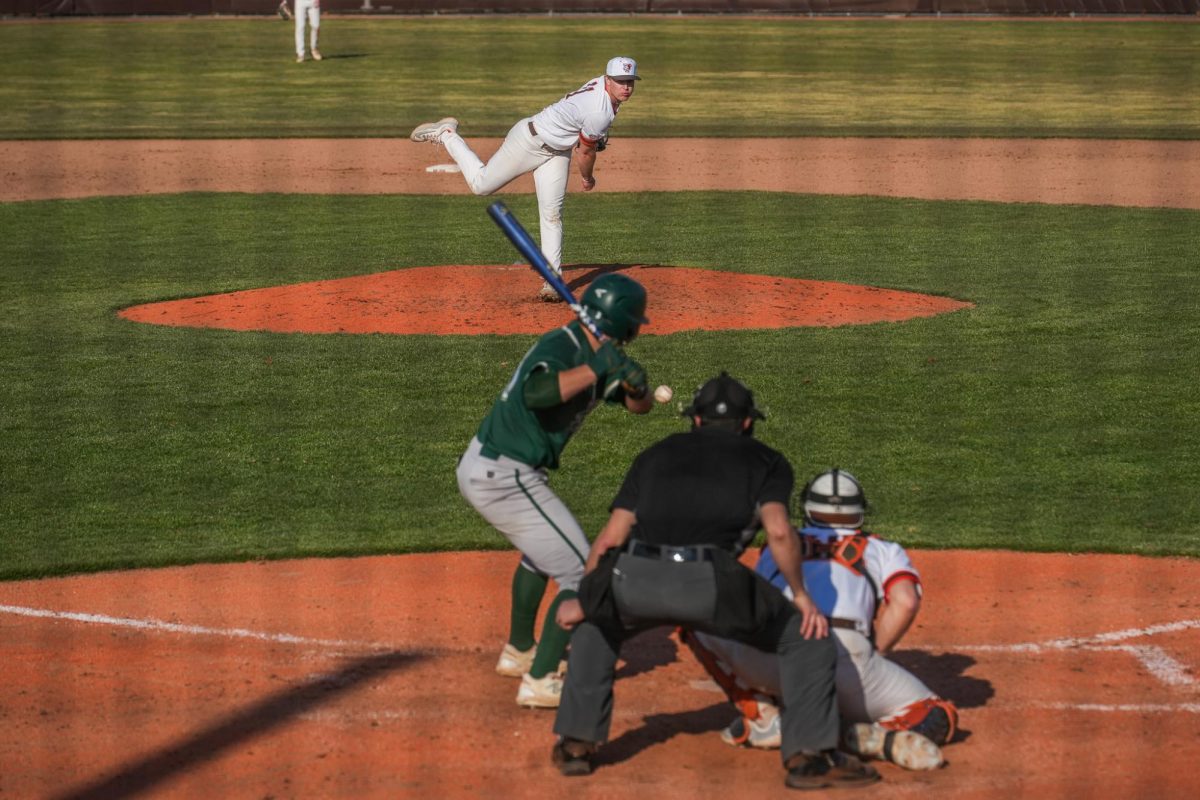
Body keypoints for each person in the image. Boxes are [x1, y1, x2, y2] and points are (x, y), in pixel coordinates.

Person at [549, 373, 881, 791]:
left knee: (598, 624)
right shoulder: (766, 460)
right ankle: (808, 758)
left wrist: (589, 598)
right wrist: (801, 596)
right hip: (711, 584)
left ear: (698, 421)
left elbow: (611, 539)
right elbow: (779, 532)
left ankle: (576, 746)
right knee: (804, 638)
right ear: (747, 423)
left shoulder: (655, 454)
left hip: (633, 576)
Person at [455, 272, 653, 709]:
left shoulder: (598, 351)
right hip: (504, 475)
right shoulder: (562, 346)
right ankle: (541, 680)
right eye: (636, 321)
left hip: (497, 469)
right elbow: (536, 394)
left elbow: (640, 407)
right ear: (622, 320)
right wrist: (597, 368)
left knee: (543, 555)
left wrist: (636, 387)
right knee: (583, 573)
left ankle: (519, 651)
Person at [680, 468, 959, 771]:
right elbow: (906, 601)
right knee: (935, 713)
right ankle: (859, 736)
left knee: (695, 620)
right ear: (859, 510)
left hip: (779, 658)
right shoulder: (882, 549)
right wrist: (873, 655)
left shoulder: (779, 547)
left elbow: (754, 610)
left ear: (808, 508)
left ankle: (764, 715)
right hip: (850, 667)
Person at [410, 57, 640, 301]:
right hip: (528, 142)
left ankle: (552, 282)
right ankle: (447, 133)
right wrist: (587, 178)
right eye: (619, 81)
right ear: (607, 79)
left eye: (630, 81)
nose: (625, 87)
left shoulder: (602, 92)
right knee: (480, 185)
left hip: (556, 152)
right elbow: (584, 151)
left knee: (552, 213)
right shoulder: (599, 111)